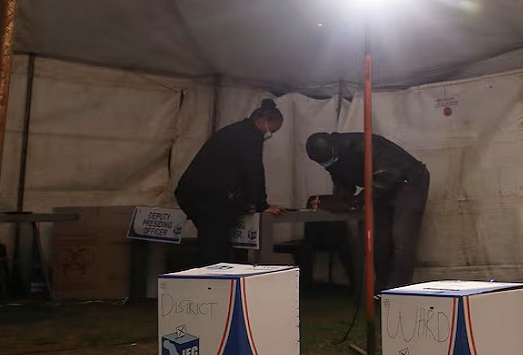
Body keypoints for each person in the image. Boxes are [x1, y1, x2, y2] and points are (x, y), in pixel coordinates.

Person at [305, 132, 428, 292]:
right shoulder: (332, 158)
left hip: (408, 181)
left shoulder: (364, 145)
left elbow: (389, 175)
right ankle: (382, 288)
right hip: (380, 186)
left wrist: (360, 198)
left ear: (334, 147)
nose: (327, 164)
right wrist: (341, 200)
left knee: (401, 240)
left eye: (328, 160)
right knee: (379, 239)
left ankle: (398, 292)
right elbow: (344, 182)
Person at [176, 99, 285, 266]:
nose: (269, 134)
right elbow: (252, 172)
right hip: (209, 197)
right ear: (264, 121)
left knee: (211, 242)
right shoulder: (249, 137)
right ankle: (214, 279)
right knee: (216, 248)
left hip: (192, 193)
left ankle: (209, 275)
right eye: (273, 129)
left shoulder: (235, 130)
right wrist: (262, 205)